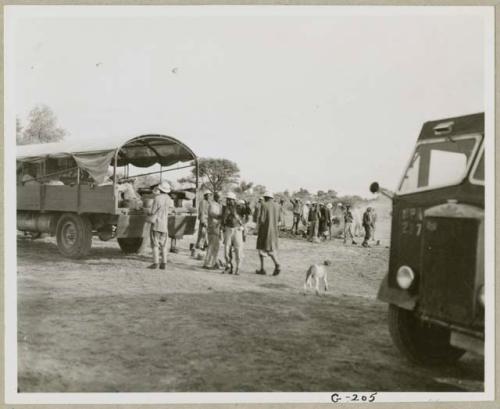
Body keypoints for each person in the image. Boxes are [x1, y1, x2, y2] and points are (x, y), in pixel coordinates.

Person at [146, 181, 173, 269]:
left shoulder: (157, 198)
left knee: (155, 244)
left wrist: (147, 211)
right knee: (164, 245)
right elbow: (170, 211)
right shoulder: (169, 199)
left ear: (160, 189)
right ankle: (164, 263)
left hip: (156, 224)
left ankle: (155, 263)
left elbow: (152, 211)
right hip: (164, 225)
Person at [256, 192, 281, 276]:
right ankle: (267, 267)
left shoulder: (264, 205)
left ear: (266, 198)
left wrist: (257, 228)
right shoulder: (277, 206)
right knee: (269, 249)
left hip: (265, 230)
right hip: (274, 231)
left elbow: (262, 220)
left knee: (262, 249)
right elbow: (279, 220)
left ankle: (273, 265)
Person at [221, 192, 245, 275]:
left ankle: (238, 268)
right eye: (227, 199)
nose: (228, 201)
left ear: (234, 200)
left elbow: (247, 215)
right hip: (228, 229)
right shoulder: (224, 208)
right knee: (226, 249)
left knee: (238, 249)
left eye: (230, 200)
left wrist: (243, 225)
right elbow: (222, 219)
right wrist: (223, 227)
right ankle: (228, 266)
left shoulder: (239, 207)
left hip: (237, 229)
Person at [203, 192, 223, 269]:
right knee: (212, 246)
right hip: (213, 227)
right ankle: (208, 263)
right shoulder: (212, 205)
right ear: (216, 197)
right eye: (219, 197)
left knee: (216, 246)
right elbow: (211, 213)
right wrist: (220, 216)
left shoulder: (218, 205)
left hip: (217, 227)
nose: (220, 199)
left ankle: (213, 262)